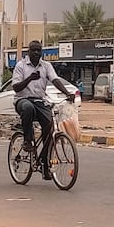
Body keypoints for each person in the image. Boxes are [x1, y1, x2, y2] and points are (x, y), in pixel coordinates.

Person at [12, 41, 75, 177]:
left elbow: (55, 80)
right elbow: (16, 87)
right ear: (28, 51)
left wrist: (67, 93)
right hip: (23, 100)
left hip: (40, 101)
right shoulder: (20, 66)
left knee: (50, 129)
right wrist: (29, 78)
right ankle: (27, 140)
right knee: (28, 108)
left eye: (38, 50)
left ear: (41, 52)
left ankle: (44, 163)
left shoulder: (46, 66)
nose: (36, 53)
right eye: (33, 50)